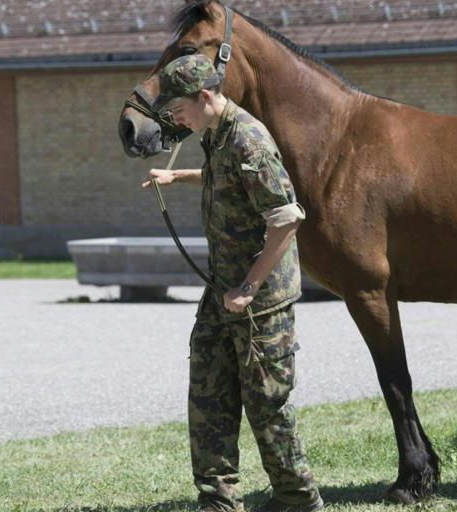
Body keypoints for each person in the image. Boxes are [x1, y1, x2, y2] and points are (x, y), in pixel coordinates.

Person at [142, 54, 323, 512]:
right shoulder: (217, 134)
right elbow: (231, 180)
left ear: (205, 96)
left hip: (259, 296)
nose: (172, 116)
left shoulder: (248, 138)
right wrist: (176, 175)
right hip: (224, 288)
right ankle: (218, 499)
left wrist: (249, 285)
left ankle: (297, 498)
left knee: (267, 402)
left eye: (177, 107)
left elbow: (285, 218)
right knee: (208, 387)